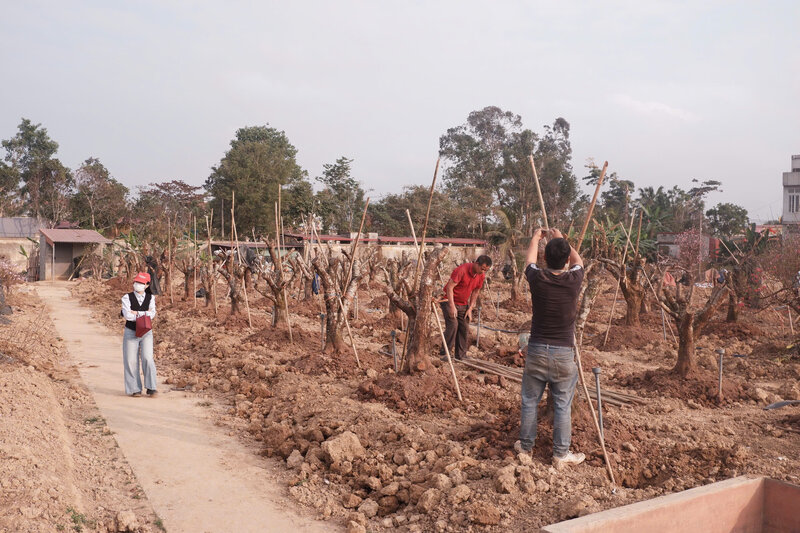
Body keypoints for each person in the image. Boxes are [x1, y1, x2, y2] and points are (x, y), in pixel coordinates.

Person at [515, 228, 585, 468]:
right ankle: (560, 454)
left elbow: (530, 261)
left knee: (529, 401)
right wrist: (560, 238)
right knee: (563, 405)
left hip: (536, 349)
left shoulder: (537, 278)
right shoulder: (573, 279)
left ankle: (525, 448)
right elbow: (578, 261)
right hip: (563, 353)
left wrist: (536, 238)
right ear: (565, 260)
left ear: (545, 258)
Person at [439, 255, 492, 360]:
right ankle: (445, 353)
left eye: (486, 270)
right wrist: (452, 306)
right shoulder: (462, 270)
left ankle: (461, 355)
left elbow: (476, 291)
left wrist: (470, 308)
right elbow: (450, 287)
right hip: (448, 301)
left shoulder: (481, 275)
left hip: (463, 304)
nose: (483, 272)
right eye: (482, 269)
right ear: (476, 264)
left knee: (464, 327)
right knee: (453, 325)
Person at [121, 272, 158, 397]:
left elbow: (152, 314)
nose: (138, 285)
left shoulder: (151, 298)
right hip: (131, 332)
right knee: (131, 360)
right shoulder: (127, 297)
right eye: (136, 282)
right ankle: (134, 389)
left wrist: (136, 312)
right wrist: (143, 313)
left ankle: (151, 387)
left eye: (141, 283)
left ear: (147, 285)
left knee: (148, 358)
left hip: (146, 332)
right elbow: (127, 315)